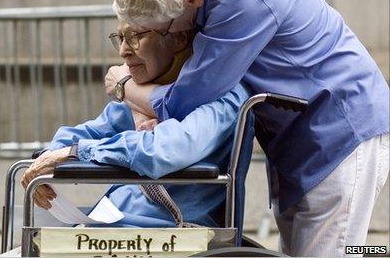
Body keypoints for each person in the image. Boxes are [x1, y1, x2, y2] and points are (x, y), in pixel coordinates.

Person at [106, 0, 389, 257]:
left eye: (163, 30)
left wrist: (125, 86)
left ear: (193, 1)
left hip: (341, 129)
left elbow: (188, 99)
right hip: (299, 138)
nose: (172, 39)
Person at [21, 20, 254, 232]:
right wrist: (48, 157)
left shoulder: (225, 94)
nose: (123, 51)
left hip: (171, 232)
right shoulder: (146, 91)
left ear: (179, 38)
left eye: (135, 36)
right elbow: (87, 132)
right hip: (110, 224)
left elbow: (163, 151)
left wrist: (76, 152)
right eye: (120, 38)